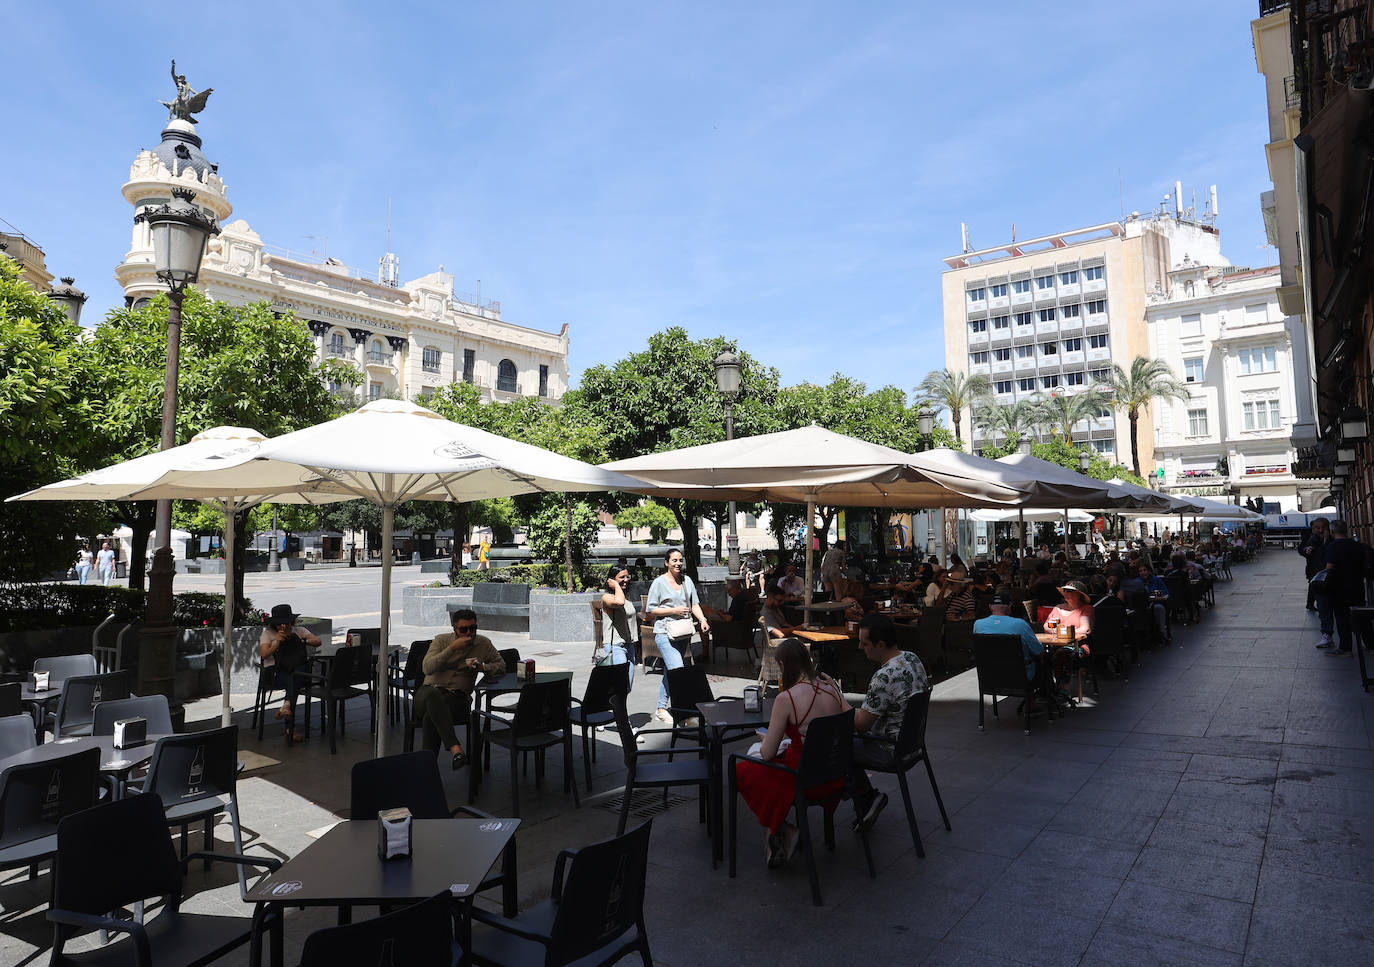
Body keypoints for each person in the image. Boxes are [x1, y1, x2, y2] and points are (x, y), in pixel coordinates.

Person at [735, 639, 847, 867]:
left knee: (741, 769)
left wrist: (767, 740)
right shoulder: (832, 690)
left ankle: (782, 830)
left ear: (784, 665)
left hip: (804, 778)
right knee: (776, 766)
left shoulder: (786, 699)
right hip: (835, 776)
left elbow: (767, 755)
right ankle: (779, 833)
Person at [849, 613, 929, 832]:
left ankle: (866, 798)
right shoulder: (912, 659)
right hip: (914, 745)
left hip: (891, 749)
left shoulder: (884, 676)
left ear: (880, 644)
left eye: (864, 643)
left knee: (837, 746)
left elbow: (860, 726)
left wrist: (838, 702)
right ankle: (867, 798)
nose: (859, 647)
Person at [416, 608, 505, 769]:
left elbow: (501, 665)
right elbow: (427, 668)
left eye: (473, 628)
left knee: (431, 716)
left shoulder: (483, 643)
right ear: (454, 629)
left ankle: (427, 770)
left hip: (457, 698)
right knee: (432, 695)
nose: (469, 633)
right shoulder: (441, 641)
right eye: (463, 629)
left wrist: (482, 667)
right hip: (428, 692)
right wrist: (452, 649)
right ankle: (455, 748)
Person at [647, 548, 710, 724]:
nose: (678, 563)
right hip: (664, 633)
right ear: (666, 562)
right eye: (674, 560)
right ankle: (685, 713)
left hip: (683, 633)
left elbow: (695, 604)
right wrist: (674, 610)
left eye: (680, 560)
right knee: (678, 671)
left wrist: (702, 619)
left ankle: (660, 708)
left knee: (671, 671)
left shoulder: (687, 581)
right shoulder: (659, 583)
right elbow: (650, 609)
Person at [258, 603, 323, 743]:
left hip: (296, 671)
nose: (283, 626)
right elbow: (263, 654)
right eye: (280, 623)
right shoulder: (268, 634)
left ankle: (287, 711)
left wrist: (302, 640)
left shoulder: (299, 630)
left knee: (297, 673)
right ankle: (289, 725)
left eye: (286, 622)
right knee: (294, 678)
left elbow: (317, 641)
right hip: (275, 673)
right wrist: (276, 643)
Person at [974, 591, 1044, 700]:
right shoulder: (1020, 624)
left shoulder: (978, 624)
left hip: (990, 676)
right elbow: (1039, 651)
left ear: (990, 606)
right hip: (1019, 676)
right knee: (1045, 661)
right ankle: (1036, 702)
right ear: (1010, 606)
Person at [1316, 519, 1367, 656]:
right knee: (1361, 616)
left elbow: (1329, 567)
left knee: (1342, 618)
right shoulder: (1357, 545)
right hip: (1357, 585)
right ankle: (1370, 644)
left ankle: (1346, 648)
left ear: (1332, 531)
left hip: (1339, 588)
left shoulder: (1333, 547)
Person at [1047, 580, 1095, 700]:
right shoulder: (1058, 608)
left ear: (1079, 595)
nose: (1066, 593)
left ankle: (1063, 688)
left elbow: (1086, 629)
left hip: (1079, 646)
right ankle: (1046, 689)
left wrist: (1063, 632)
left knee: (1063, 654)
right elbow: (1047, 626)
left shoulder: (1086, 609)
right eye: (1065, 591)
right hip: (1055, 645)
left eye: (1070, 591)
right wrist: (1065, 631)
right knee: (1039, 656)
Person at [598, 564, 638, 686]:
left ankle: (620, 705)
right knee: (619, 685)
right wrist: (616, 585)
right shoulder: (607, 597)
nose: (626, 580)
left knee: (627, 685)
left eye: (627, 576)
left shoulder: (627, 597)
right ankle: (613, 706)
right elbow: (619, 602)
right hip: (615, 646)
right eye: (621, 577)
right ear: (611, 580)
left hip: (629, 645)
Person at [1300, 517, 1331, 612]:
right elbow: (1301, 549)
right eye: (1318, 528)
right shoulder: (1310, 537)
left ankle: (1312, 604)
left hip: (1328, 571)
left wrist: (1326, 540)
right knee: (1313, 585)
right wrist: (1306, 550)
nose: (1320, 530)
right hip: (1313, 568)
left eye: (1323, 528)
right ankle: (1311, 604)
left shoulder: (1331, 538)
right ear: (1313, 528)